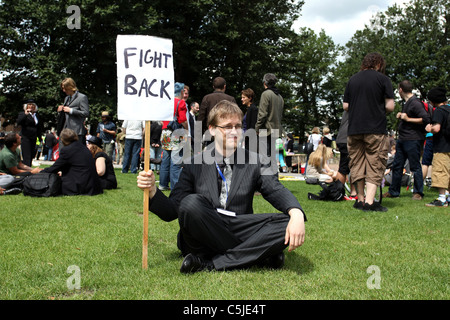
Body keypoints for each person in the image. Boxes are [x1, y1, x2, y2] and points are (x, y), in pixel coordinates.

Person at [137, 100, 306, 273]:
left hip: (238, 226)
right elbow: (171, 211)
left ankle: (210, 263)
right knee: (190, 203)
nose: (234, 132)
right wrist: (152, 191)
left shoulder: (257, 161)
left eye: (238, 126)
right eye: (227, 127)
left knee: (286, 221)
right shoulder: (194, 164)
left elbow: (274, 188)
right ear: (211, 129)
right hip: (204, 230)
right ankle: (259, 254)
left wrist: (296, 212)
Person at [343, 52, 395, 212]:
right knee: (375, 162)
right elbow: (390, 106)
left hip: (354, 129)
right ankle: (370, 202)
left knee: (357, 162)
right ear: (379, 64)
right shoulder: (383, 80)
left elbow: (346, 106)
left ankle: (359, 199)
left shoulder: (353, 79)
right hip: (375, 128)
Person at [383, 80, 430, 200]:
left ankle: (418, 192)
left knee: (415, 166)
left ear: (400, 90)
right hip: (403, 139)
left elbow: (425, 119)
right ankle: (394, 191)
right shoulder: (408, 103)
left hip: (413, 139)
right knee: (397, 166)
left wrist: (408, 119)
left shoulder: (415, 103)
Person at [42, 129, 102, 196]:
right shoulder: (83, 147)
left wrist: (41, 171)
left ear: (62, 140)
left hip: (80, 186)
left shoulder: (67, 150)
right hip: (92, 186)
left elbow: (55, 168)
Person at [159, 82, 188, 190]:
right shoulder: (181, 103)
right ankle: (175, 187)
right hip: (176, 132)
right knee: (175, 160)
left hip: (165, 132)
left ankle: (162, 184)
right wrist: (187, 129)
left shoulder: (167, 103)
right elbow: (182, 119)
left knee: (166, 159)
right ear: (181, 91)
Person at [424, 87, 450, 207]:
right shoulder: (449, 109)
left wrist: (430, 128)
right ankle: (448, 197)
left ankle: (441, 199)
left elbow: (437, 128)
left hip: (441, 147)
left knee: (440, 172)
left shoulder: (439, 111)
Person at [255, 73, 284, 159]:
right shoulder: (280, 97)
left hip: (266, 130)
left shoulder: (266, 94)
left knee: (264, 158)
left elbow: (262, 114)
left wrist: (257, 128)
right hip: (276, 131)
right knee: (272, 158)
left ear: (265, 83)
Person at [58, 78, 89, 145]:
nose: (63, 90)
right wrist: (61, 110)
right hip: (65, 131)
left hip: (76, 131)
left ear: (70, 87)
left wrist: (71, 110)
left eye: (65, 88)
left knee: (75, 152)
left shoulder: (82, 97)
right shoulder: (66, 98)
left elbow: (85, 113)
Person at [334, 110, 358, 200]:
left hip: (342, 138)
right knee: (353, 167)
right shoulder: (358, 104)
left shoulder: (348, 106)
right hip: (350, 139)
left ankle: (338, 192)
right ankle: (352, 193)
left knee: (344, 166)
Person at [16, 100, 42, 167]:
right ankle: (26, 169)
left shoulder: (37, 115)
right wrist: (25, 114)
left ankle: (29, 167)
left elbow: (39, 127)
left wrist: (40, 137)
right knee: (26, 155)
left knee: (32, 154)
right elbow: (19, 122)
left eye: (33, 105)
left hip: (33, 137)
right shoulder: (23, 114)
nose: (31, 107)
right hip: (26, 137)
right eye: (29, 105)